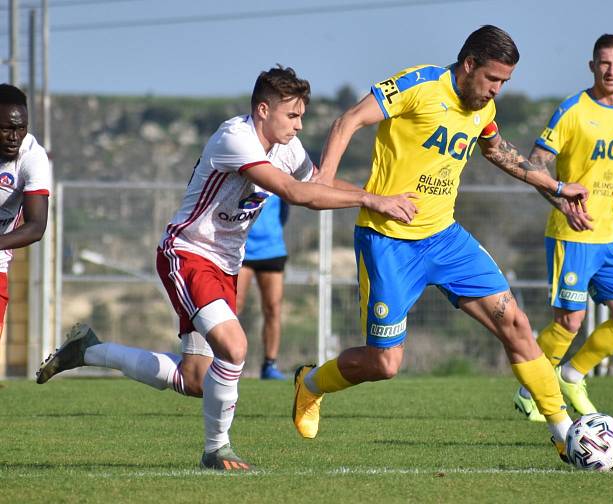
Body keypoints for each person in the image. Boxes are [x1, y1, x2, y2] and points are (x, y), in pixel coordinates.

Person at [36, 66, 418, 471]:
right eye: (293, 116)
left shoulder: (287, 148)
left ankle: (90, 351)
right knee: (235, 348)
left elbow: (319, 182)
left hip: (226, 265)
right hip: (188, 254)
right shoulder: (235, 139)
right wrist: (372, 202)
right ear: (263, 110)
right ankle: (216, 450)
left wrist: (379, 195)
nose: (300, 125)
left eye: (302, 116)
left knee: (196, 379)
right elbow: (295, 192)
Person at [291, 25, 589, 462]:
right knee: (384, 365)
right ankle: (311, 383)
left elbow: (499, 151)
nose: (496, 90)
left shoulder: (480, 106)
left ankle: (564, 434)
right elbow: (349, 119)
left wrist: (557, 190)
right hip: (388, 242)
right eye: (492, 79)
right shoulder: (420, 85)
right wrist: (325, 177)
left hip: (446, 240)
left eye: (504, 82)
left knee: (518, 325)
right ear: (468, 65)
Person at [513, 34, 613, 423]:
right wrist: (562, 204)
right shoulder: (572, 110)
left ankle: (571, 376)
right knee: (568, 323)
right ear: (592, 66)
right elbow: (535, 164)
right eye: (604, 63)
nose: (611, 70)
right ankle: (529, 391)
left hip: (610, 236)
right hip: (571, 235)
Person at [0, 84, 50, 340]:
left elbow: (37, 225)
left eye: (21, 128)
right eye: (7, 128)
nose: (14, 137)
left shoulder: (33, 157)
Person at [236, 195, 290, 380]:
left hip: (272, 250)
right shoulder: (246, 172)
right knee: (233, 306)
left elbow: (284, 212)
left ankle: (270, 364)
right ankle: (225, 361)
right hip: (242, 249)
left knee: (273, 308)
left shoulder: (280, 174)